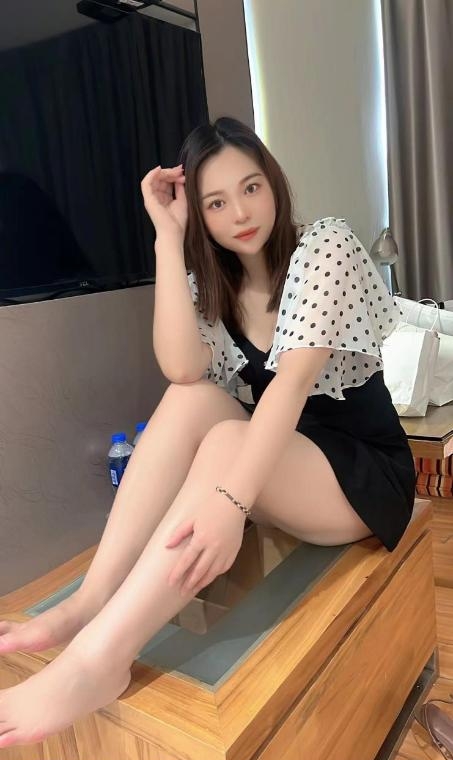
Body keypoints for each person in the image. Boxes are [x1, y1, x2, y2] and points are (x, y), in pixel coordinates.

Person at [0, 116, 416, 747]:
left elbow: (290, 387)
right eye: (215, 202)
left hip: (362, 474)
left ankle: (98, 661)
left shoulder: (324, 247)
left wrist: (230, 501)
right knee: (190, 398)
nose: (240, 213)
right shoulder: (216, 286)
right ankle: (89, 603)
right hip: (282, 460)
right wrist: (168, 240)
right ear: (199, 212)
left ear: (273, 183)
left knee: (226, 440)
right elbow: (182, 369)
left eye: (251, 188)